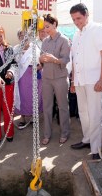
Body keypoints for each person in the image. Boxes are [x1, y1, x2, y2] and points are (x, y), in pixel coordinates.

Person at [69, 3, 102, 160]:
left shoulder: (98, 29)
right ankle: (86, 140)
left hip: (94, 81)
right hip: (80, 80)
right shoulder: (76, 34)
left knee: (94, 115)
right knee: (83, 113)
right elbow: (74, 59)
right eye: (73, 19)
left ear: (86, 15)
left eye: (79, 18)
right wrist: (73, 80)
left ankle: (96, 149)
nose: (76, 22)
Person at [39, 14, 70, 145]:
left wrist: (54, 59)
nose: (45, 30)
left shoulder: (64, 40)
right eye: (44, 27)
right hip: (46, 78)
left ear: (55, 25)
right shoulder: (45, 41)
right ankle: (47, 134)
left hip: (60, 78)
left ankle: (65, 133)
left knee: (62, 106)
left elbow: (66, 59)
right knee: (47, 107)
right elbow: (41, 58)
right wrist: (41, 59)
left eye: (48, 26)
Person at [13, 29, 43, 129]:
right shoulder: (15, 49)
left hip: (34, 75)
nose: (24, 38)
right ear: (18, 37)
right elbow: (13, 63)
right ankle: (22, 117)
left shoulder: (35, 48)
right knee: (22, 96)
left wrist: (40, 67)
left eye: (26, 35)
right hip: (21, 76)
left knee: (34, 96)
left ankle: (34, 117)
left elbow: (42, 61)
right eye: (21, 35)